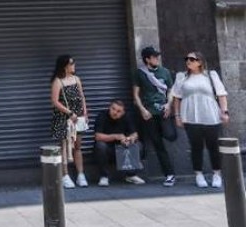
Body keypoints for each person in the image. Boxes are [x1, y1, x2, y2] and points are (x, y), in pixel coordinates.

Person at [172, 51, 229, 188]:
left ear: (200, 62)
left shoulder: (210, 75)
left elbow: (221, 94)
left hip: (210, 115)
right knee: (196, 146)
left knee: (213, 146)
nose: (188, 61)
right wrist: (177, 116)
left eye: (192, 59)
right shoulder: (182, 77)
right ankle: (198, 174)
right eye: (187, 59)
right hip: (190, 116)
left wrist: (224, 112)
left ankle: (216, 174)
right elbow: (176, 98)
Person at [132, 46, 177, 187]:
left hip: (164, 111)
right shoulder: (140, 73)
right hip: (149, 114)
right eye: (154, 57)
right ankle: (169, 175)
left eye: (157, 56)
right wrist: (142, 110)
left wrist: (169, 104)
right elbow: (135, 95)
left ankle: (163, 130)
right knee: (158, 145)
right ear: (147, 59)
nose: (157, 58)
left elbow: (170, 90)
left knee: (171, 135)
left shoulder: (165, 72)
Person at [50, 55, 89, 188]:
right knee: (64, 148)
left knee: (77, 146)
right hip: (63, 118)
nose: (74, 65)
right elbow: (55, 101)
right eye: (71, 63)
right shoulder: (58, 81)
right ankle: (65, 175)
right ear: (64, 66)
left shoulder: (76, 79)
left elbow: (82, 96)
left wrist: (85, 112)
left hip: (78, 118)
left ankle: (80, 174)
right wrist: (69, 113)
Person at [93, 99, 144, 186]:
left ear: (123, 113)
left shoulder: (127, 117)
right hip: (108, 149)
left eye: (118, 111)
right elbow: (98, 136)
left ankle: (131, 175)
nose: (115, 112)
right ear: (109, 108)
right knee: (100, 146)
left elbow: (135, 134)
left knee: (138, 145)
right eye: (113, 109)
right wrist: (115, 136)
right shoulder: (102, 115)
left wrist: (129, 139)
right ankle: (104, 176)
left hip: (122, 148)